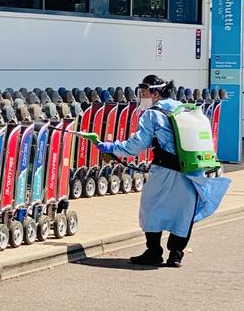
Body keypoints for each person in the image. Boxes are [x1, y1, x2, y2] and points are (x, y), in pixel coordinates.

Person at [97, 75, 231, 267]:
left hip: (165, 171)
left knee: (151, 208)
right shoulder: (185, 108)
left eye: (144, 93)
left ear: (155, 93)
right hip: (192, 170)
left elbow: (136, 145)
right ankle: (176, 254)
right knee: (183, 213)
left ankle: (153, 252)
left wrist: (111, 147)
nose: (142, 97)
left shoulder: (153, 114)